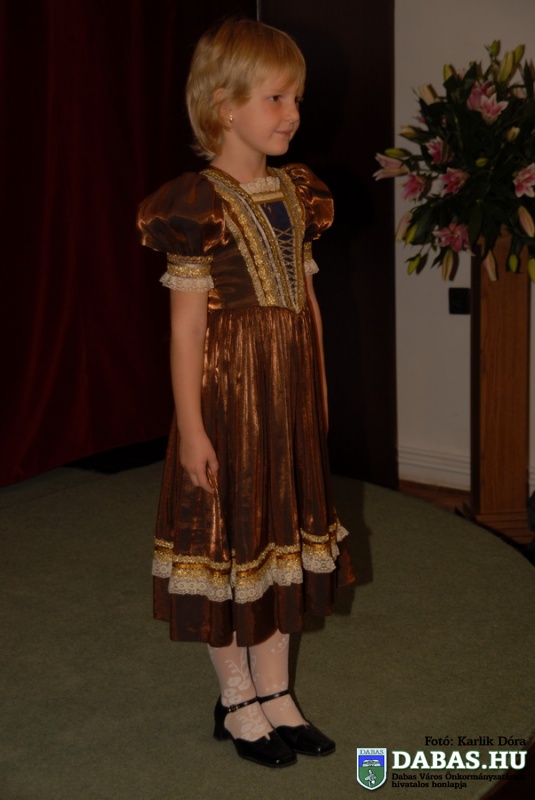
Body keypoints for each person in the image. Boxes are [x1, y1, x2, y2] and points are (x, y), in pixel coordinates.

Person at [137, 17, 355, 769]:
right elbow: (185, 330)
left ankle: (276, 691)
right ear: (224, 106)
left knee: (281, 537)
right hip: (227, 400)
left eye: (296, 98)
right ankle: (236, 699)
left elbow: (306, 303)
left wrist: (316, 388)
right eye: (275, 98)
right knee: (230, 541)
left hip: (286, 395)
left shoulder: (298, 194)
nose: (292, 113)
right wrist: (192, 428)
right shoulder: (193, 204)